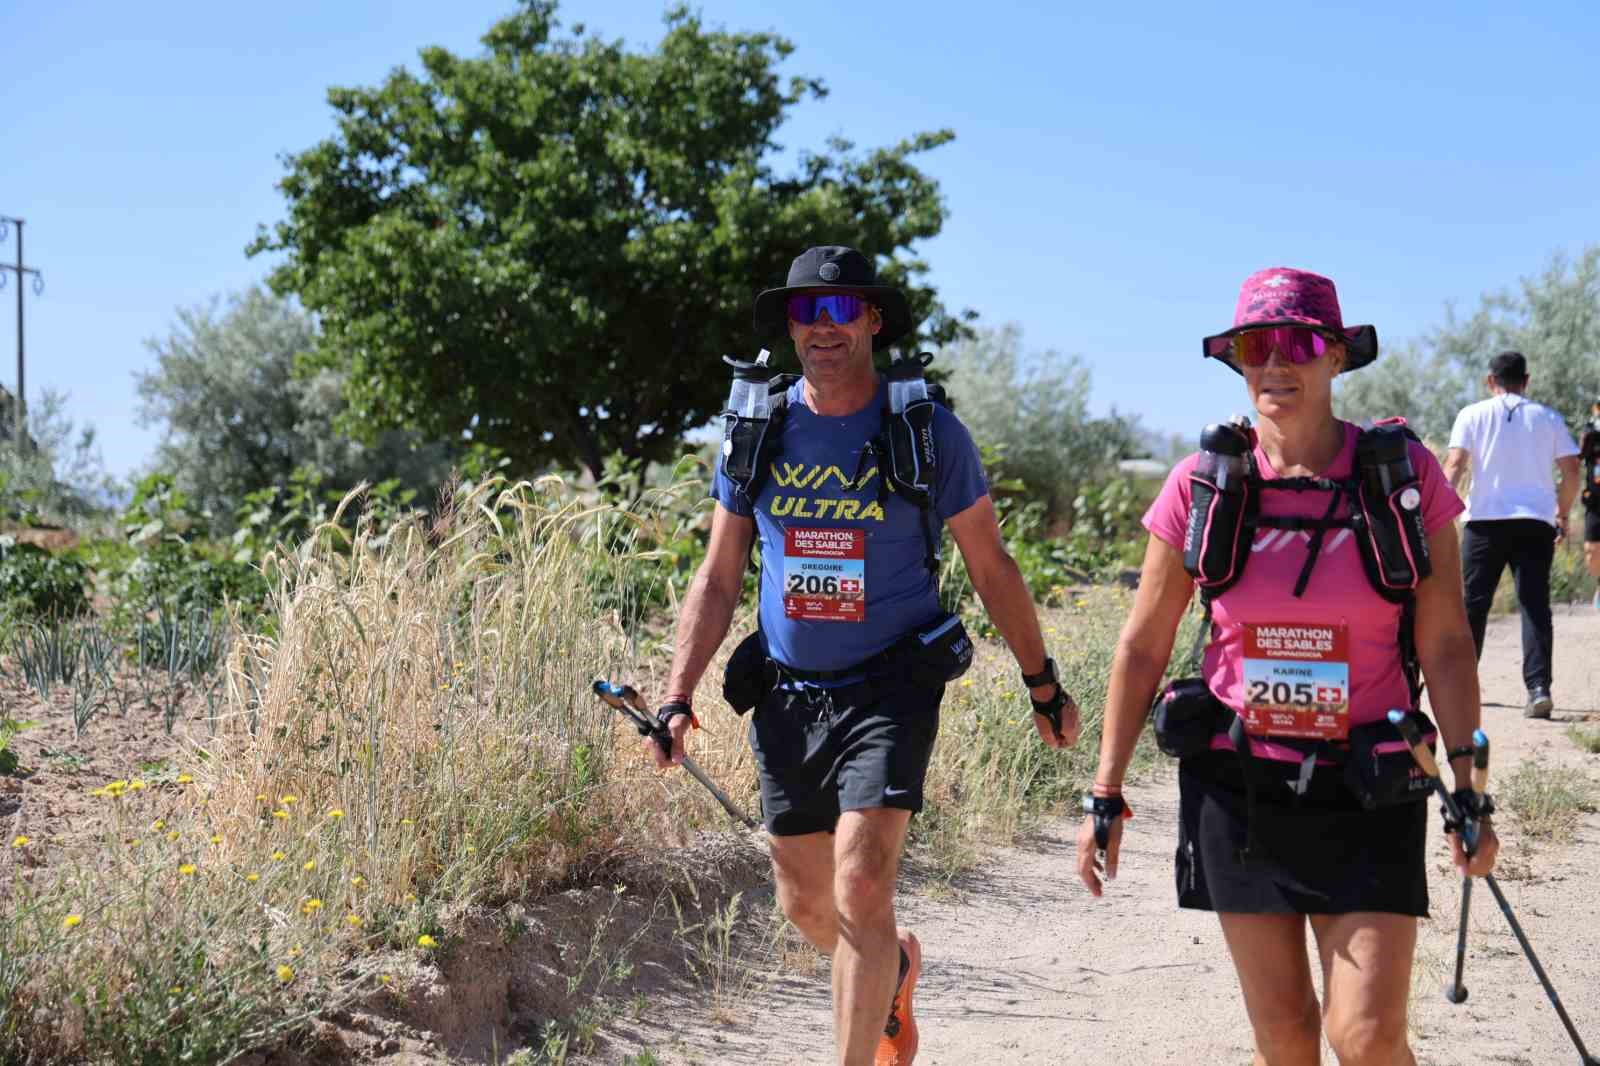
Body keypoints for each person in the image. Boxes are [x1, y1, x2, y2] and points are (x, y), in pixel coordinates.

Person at [642, 245, 1080, 1066]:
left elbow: (991, 563)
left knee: (861, 886)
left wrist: (1042, 682)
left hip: (891, 687)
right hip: (785, 691)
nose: (823, 327)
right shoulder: (757, 430)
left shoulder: (925, 432)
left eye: (843, 309)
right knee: (809, 905)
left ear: (873, 320)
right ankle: (895, 970)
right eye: (807, 312)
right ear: (790, 326)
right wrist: (676, 694)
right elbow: (720, 572)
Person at [1076, 268, 1498, 1066]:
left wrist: (1468, 791)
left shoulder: (1402, 482)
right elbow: (1142, 646)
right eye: (1254, 345)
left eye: (1298, 343)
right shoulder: (1203, 485)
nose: (1275, 363)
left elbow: (1444, 643)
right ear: (1236, 360)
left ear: (1336, 357)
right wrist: (1105, 788)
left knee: (1366, 1035)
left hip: (1372, 781)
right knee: (1285, 1037)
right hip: (1241, 793)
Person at [1444, 351, 1581, 717]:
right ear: (1527, 379)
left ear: (1491, 381)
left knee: (1472, 605)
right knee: (1534, 606)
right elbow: (1571, 470)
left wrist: (1436, 514)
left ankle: (1460, 687)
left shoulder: (1471, 415)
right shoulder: (1547, 418)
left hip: (1484, 523)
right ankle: (1538, 689)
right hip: (1534, 523)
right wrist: (1562, 512)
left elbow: (1455, 465)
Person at [1580, 398, 1600, 610]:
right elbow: (1580, 456)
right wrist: (1589, 436)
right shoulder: (1591, 432)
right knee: (1591, 549)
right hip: (1596, 500)